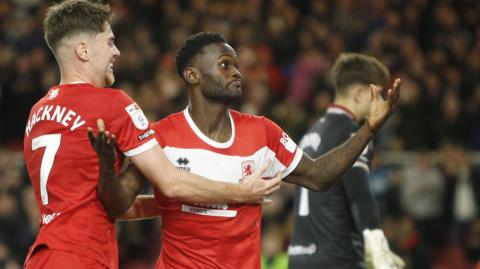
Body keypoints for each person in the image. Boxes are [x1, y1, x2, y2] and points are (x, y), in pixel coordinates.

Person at [94, 32, 401, 269]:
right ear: (192, 75)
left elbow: (320, 176)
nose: (236, 72)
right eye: (225, 65)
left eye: (237, 66)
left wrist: (369, 128)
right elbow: (118, 204)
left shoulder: (262, 133)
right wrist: (108, 167)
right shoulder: (162, 135)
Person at [22, 2, 280, 269]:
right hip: (82, 256)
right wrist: (241, 192)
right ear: (83, 50)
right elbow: (170, 182)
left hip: (41, 255)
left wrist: (175, 205)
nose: (117, 51)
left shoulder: (38, 112)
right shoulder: (111, 104)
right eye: (110, 42)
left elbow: (96, 204)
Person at [287, 53, 405, 269]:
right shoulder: (352, 134)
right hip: (338, 257)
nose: (379, 105)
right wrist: (377, 242)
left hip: (299, 257)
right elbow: (359, 193)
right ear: (359, 93)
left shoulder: (310, 134)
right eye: (376, 96)